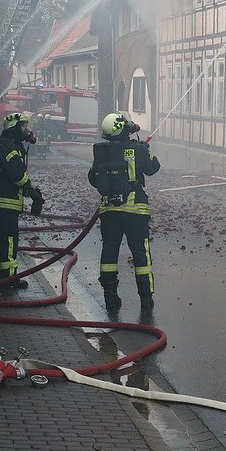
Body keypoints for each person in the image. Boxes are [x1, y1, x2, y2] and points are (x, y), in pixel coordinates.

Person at [88, 113, 160, 314]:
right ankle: (146, 300)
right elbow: (153, 168)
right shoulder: (137, 149)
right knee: (140, 254)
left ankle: (110, 297)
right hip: (135, 211)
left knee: (109, 252)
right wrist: (147, 151)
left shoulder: (102, 151)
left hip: (109, 211)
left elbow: (93, 179)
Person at [0, 112, 38, 289]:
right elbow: (16, 174)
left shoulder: (2, 144)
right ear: (15, 128)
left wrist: (29, 188)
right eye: (23, 126)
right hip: (6, 200)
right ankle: (8, 278)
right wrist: (30, 186)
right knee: (8, 239)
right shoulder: (9, 148)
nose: (26, 130)